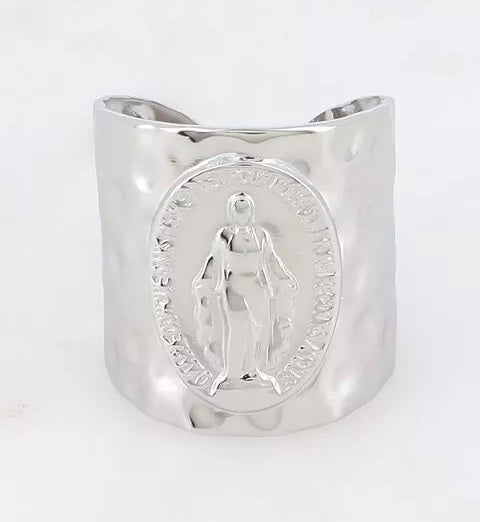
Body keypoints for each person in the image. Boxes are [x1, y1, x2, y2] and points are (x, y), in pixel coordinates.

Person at [193, 192, 298, 395]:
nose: (243, 214)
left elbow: (271, 260)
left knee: (258, 329)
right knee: (236, 330)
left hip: (256, 286)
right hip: (233, 286)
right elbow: (213, 260)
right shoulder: (225, 235)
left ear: (251, 212)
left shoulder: (260, 235)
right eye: (239, 210)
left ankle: (253, 371)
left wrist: (284, 278)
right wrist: (204, 282)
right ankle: (232, 374)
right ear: (232, 212)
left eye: (246, 210)